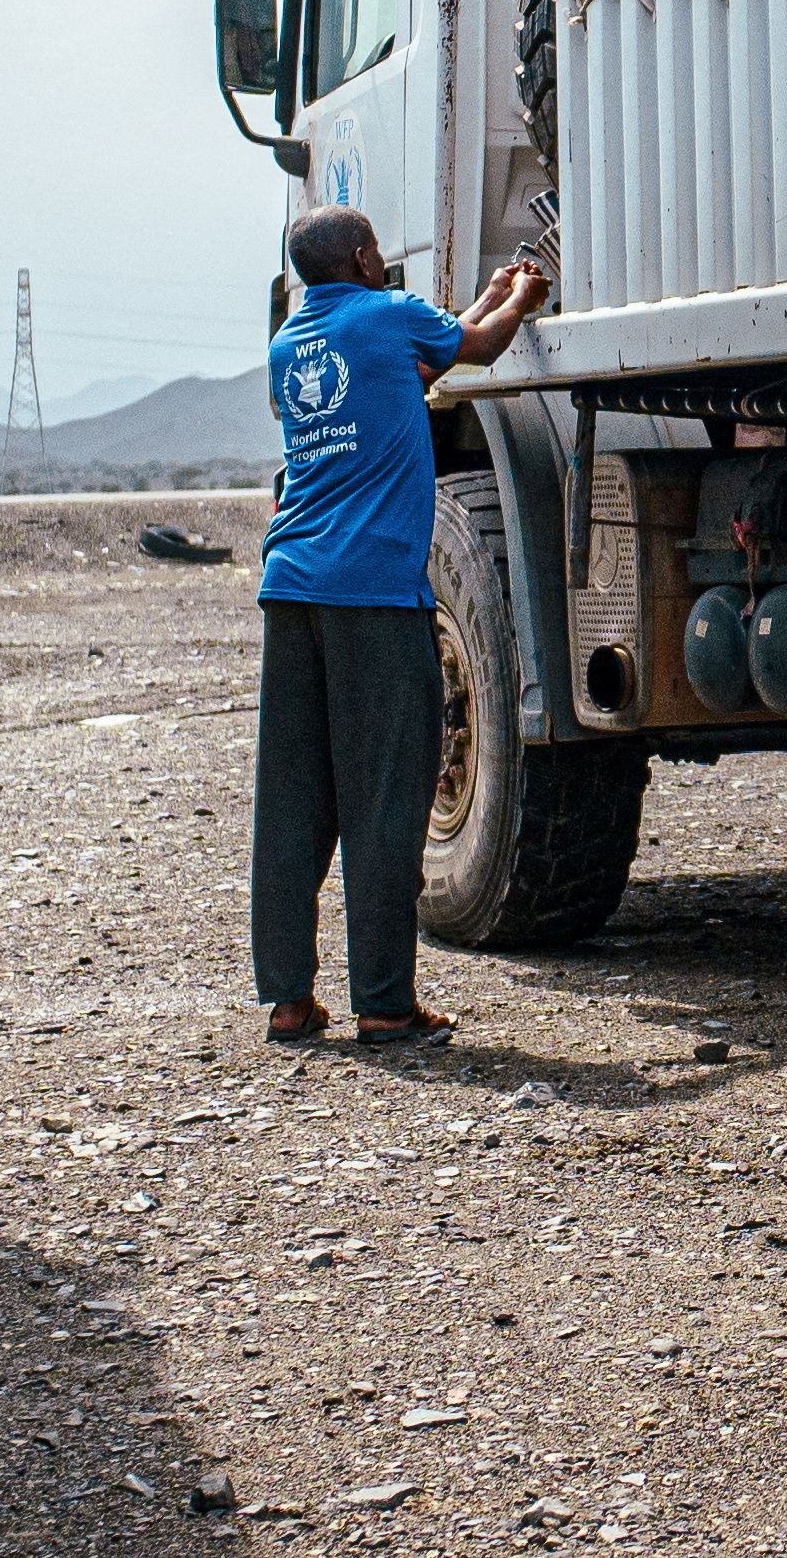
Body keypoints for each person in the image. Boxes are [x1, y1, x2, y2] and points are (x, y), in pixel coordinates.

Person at [251, 206, 544, 1045]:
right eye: (375, 245)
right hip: (373, 592)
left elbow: (415, 369)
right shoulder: (386, 314)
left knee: (294, 798)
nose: (384, 256)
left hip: (291, 586)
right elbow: (474, 350)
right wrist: (520, 299)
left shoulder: (289, 346)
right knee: (386, 795)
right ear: (360, 256)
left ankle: (289, 1000)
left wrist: (490, 294)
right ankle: (384, 1003)